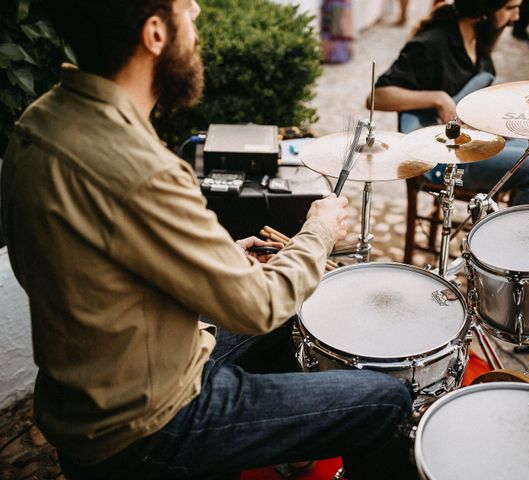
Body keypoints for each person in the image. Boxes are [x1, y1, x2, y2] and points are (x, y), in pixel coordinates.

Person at [0, 1, 418, 479]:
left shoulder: (38, 121)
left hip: (89, 394)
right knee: (386, 400)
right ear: (155, 33)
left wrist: (217, 260)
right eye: (185, 7)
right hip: (151, 425)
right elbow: (259, 304)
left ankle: (286, 444)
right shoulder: (141, 169)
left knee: (293, 319)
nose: (197, 11)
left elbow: (88, 269)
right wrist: (318, 229)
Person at [369, 0, 529, 208]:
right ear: (484, 11)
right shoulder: (431, 45)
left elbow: (485, 107)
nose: (517, 16)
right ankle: (514, 246)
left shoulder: (479, 45)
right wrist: (437, 99)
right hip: (443, 158)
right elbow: (377, 96)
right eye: (510, 8)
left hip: (478, 140)